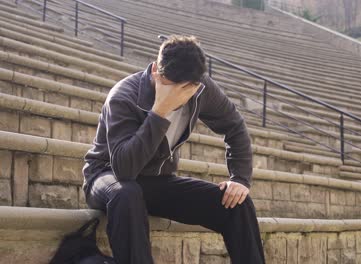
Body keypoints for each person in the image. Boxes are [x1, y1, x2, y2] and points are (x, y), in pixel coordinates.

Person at [81, 35, 266, 264]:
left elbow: (235, 126)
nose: (181, 95)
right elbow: (124, 170)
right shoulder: (124, 96)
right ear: (157, 72)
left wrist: (239, 178)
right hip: (106, 177)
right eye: (174, 88)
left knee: (238, 204)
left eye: (188, 88)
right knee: (127, 193)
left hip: (155, 181)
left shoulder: (200, 88)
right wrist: (160, 112)